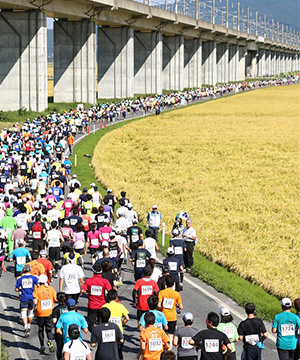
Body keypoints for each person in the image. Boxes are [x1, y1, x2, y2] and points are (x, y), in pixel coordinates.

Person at [81, 264, 112, 332]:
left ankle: (93, 334)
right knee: (101, 322)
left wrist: (88, 291)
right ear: (101, 272)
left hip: (92, 305)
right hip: (102, 304)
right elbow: (110, 290)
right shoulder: (105, 281)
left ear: (93, 271)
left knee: (90, 323)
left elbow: (82, 290)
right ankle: (100, 334)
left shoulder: (88, 281)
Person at [102, 289, 130, 360]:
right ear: (116, 297)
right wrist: (122, 323)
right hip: (119, 332)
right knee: (119, 352)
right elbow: (127, 318)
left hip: (107, 331)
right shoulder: (120, 306)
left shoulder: (104, 306)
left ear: (107, 297)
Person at [33, 274, 56, 354]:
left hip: (40, 313)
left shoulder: (37, 290)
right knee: (49, 329)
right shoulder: (51, 289)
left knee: (40, 329)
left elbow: (35, 302)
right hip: (50, 312)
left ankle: (42, 345)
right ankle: (49, 340)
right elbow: (55, 299)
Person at [158, 275, 183, 348]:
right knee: (170, 336)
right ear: (173, 284)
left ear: (165, 284)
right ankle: (169, 353)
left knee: (161, 335)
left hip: (163, 317)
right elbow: (181, 307)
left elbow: (159, 305)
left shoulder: (161, 292)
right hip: (172, 318)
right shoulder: (176, 294)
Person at [15, 264, 38, 337]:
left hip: (24, 297)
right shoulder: (34, 278)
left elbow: (16, 289)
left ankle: (25, 327)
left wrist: (20, 290)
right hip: (31, 297)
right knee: (30, 312)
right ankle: (29, 325)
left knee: (23, 314)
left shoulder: (20, 279)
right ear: (30, 270)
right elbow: (38, 285)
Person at [52, 292, 68, 360]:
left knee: (59, 347)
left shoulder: (55, 309)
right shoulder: (68, 307)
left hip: (59, 330)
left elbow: (54, 321)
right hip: (68, 329)